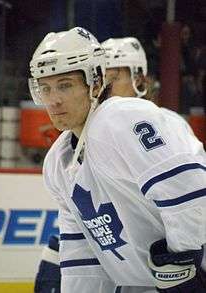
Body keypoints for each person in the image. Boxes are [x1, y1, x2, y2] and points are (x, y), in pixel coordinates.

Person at [71, 36, 206, 292]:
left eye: (114, 78)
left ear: (141, 80)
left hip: (166, 272)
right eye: (102, 79)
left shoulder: (167, 122)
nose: (105, 88)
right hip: (130, 275)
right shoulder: (84, 139)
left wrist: (180, 262)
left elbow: (193, 195)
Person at [29, 27, 127, 293]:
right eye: (45, 88)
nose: (54, 100)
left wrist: (184, 261)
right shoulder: (57, 162)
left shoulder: (128, 128)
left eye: (65, 85)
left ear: (95, 82)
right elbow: (79, 247)